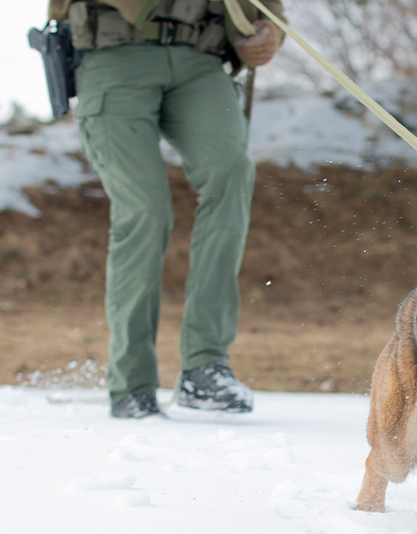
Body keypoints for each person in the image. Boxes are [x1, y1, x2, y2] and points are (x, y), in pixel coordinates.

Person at [45, 0, 286, 418]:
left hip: (200, 61)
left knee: (230, 173)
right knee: (145, 208)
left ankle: (204, 365)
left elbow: (266, 9)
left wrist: (268, 30)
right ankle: (131, 384)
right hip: (116, 57)